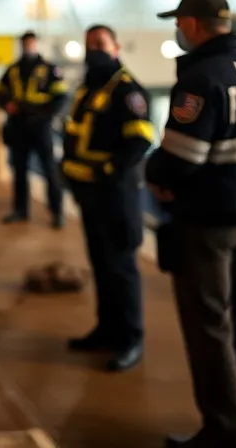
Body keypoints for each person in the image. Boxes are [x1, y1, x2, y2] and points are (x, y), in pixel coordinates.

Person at [146, 0, 236, 448]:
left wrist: (154, 174)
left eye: (178, 23)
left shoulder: (201, 80)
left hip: (207, 223)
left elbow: (182, 156)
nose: (177, 31)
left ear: (191, 24)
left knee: (210, 327)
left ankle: (224, 434)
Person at [61, 24, 155, 373]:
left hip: (117, 194)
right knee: (101, 264)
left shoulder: (128, 90)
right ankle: (106, 329)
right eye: (89, 45)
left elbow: (140, 140)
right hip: (89, 194)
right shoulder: (87, 89)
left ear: (116, 47)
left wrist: (109, 172)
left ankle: (131, 339)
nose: (94, 51)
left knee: (122, 268)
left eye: (100, 44)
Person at [0, 31, 68, 227]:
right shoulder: (14, 70)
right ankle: (20, 210)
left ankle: (56, 213)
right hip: (18, 126)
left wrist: (44, 114)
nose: (28, 46)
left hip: (41, 126)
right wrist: (7, 104)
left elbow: (60, 97)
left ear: (37, 44)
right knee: (19, 170)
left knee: (50, 170)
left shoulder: (50, 69)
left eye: (32, 43)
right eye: (26, 43)